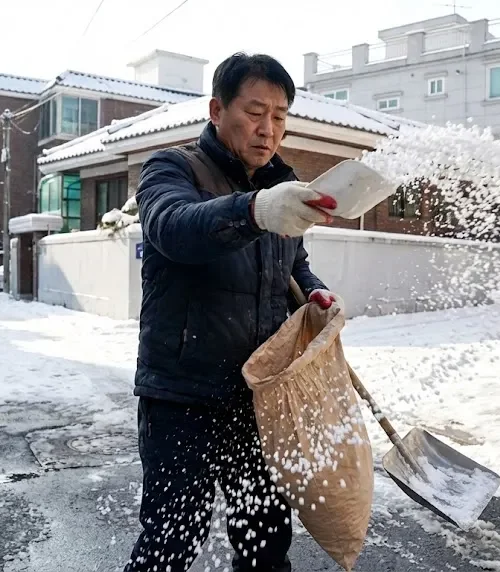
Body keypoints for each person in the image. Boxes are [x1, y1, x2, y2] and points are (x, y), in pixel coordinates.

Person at [124, 52, 341, 572]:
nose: (269, 129)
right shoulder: (172, 168)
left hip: (258, 398)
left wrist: (313, 294)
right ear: (217, 110)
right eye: (255, 111)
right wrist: (254, 210)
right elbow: (174, 227)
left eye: (281, 117)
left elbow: (295, 263)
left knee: (266, 540)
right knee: (172, 541)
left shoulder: (280, 184)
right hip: (183, 396)